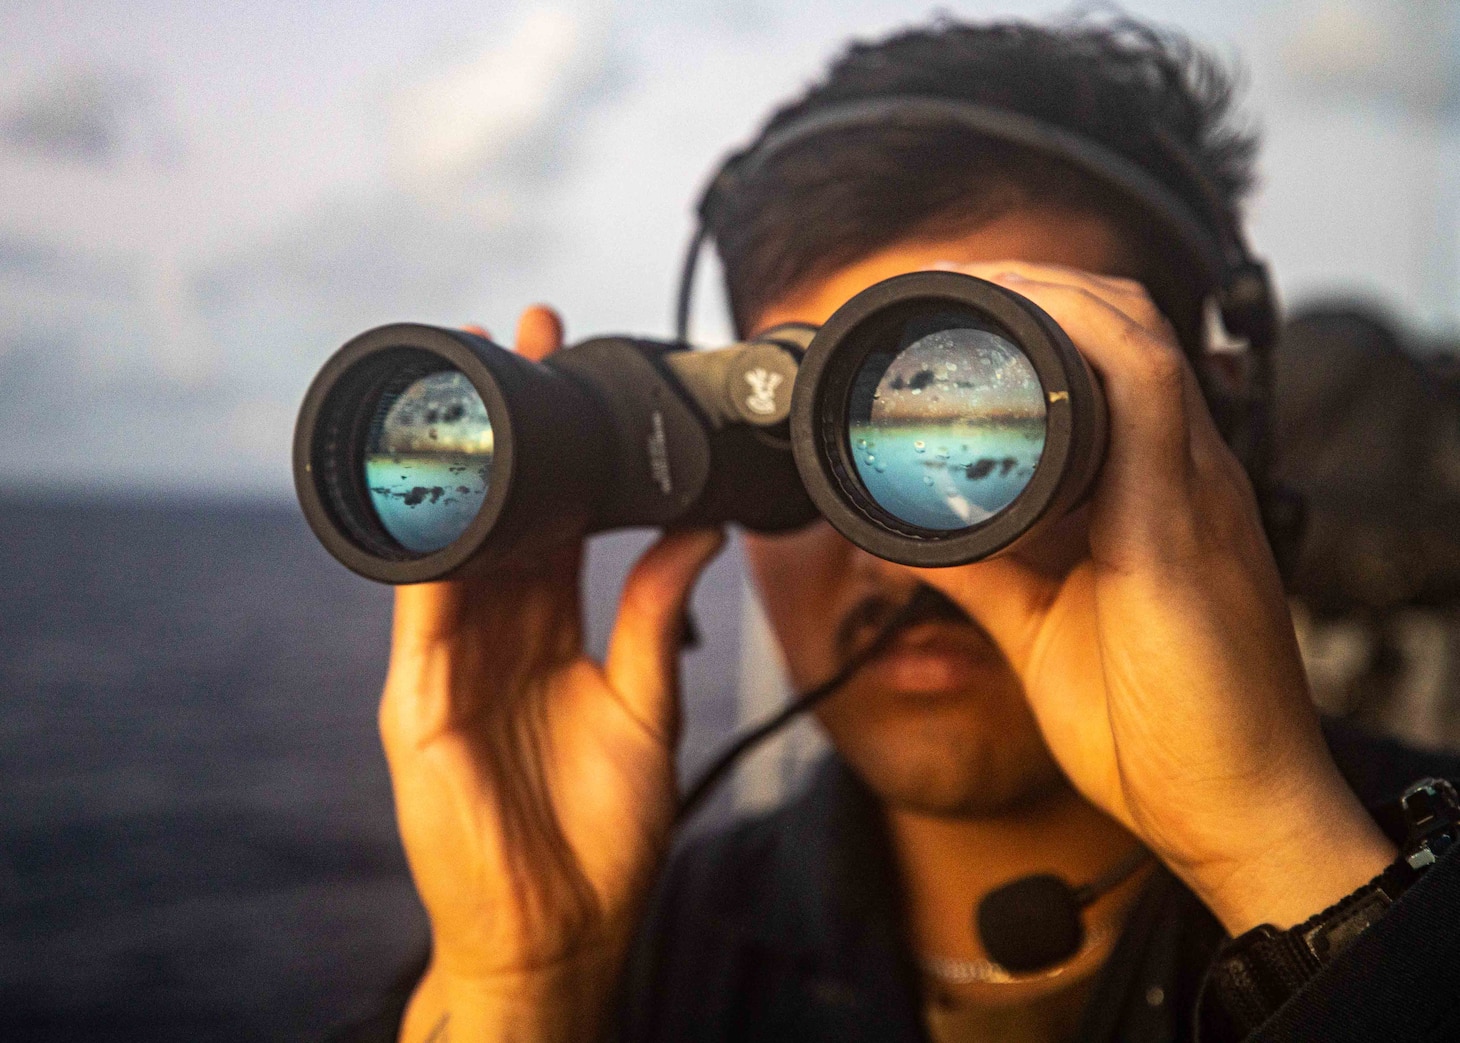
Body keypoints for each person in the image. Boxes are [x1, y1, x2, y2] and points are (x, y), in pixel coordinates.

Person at [369, 16, 1460, 1043]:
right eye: (805, 441)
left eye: (981, 420)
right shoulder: (651, 948)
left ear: (1214, 436)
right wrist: (512, 986)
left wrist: (1285, 857)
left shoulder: (1402, 863)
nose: (893, 544)